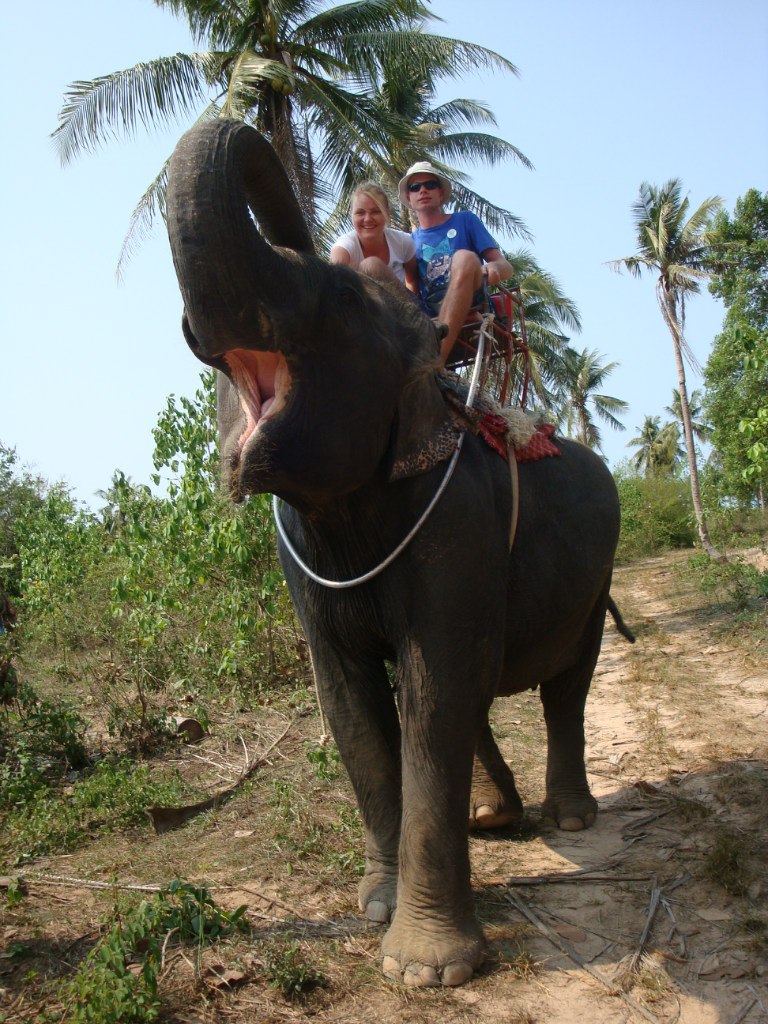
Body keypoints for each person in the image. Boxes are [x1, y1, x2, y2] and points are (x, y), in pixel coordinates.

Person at [398, 161, 513, 366]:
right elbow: (413, 290)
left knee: (464, 258)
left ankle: (437, 361)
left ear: (440, 192)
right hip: (433, 308)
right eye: (415, 187)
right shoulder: (409, 242)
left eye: (429, 185)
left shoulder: (465, 220)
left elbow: (505, 267)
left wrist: (489, 269)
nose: (423, 190)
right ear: (409, 197)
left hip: (472, 292)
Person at [330, 182, 419, 292]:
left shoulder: (403, 241)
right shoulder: (346, 244)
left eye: (375, 212)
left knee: (371, 266)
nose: (367, 219)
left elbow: (412, 282)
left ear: (387, 213)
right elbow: (333, 273)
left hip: (402, 305)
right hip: (366, 306)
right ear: (352, 216)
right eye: (360, 213)